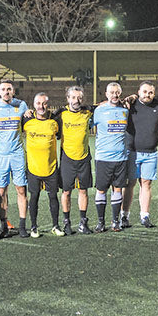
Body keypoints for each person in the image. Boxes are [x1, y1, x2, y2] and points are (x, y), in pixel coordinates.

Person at [0, 80, 28, 237]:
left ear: (13, 91)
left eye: (9, 89)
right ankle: (4, 225)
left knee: (21, 189)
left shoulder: (21, 105)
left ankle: (22, 226)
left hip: (17, 154)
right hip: (0, 155)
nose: (6, 92)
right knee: (1, 191)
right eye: (3, 89)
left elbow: (28, 117)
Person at [54, 86, 95, 234]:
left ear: (83, 99)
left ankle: (83, 223)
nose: (76, 100)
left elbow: (104, 104)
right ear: (67, 98)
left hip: (84, 158)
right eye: (73, 97)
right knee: (66, 192)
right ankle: (67, 223)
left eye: (79, 98)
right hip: (67, 159)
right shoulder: (61, 114)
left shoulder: (88, 112)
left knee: (83, 191)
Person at [21, 92, 64, 237]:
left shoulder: (55, 121)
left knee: (53, 197)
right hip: (33, 168)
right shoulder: (26, 120)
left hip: (50, 167)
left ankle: (55, 226)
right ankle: (34, 227)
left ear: (48, 104)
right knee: (34, 197)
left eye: (44, 103)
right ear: (34, 105)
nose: (41, 106)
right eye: (38, 103)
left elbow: (60, 136)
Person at [123, 81, 158, 228]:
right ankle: (124, 215)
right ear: (138, 92)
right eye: (144, 92)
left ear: (154, 94)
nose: (147, 95)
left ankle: (144, 216)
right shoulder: (129, 105)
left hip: (150, 153)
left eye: (150, 92)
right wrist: (128, 99)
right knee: (130, 184)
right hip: (132, 152)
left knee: (146, 184)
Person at [91, 82, 130, 232]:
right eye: (112, 92)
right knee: (101, 190)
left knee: (118, 189)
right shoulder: (99, 111)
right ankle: (101, 222)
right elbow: (86, 125)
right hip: (103, 158)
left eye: (117, 92)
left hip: (121, 158)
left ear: (120, 93)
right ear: (106, 94)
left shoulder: (125, 110)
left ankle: (115, 221)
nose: (115, 95)